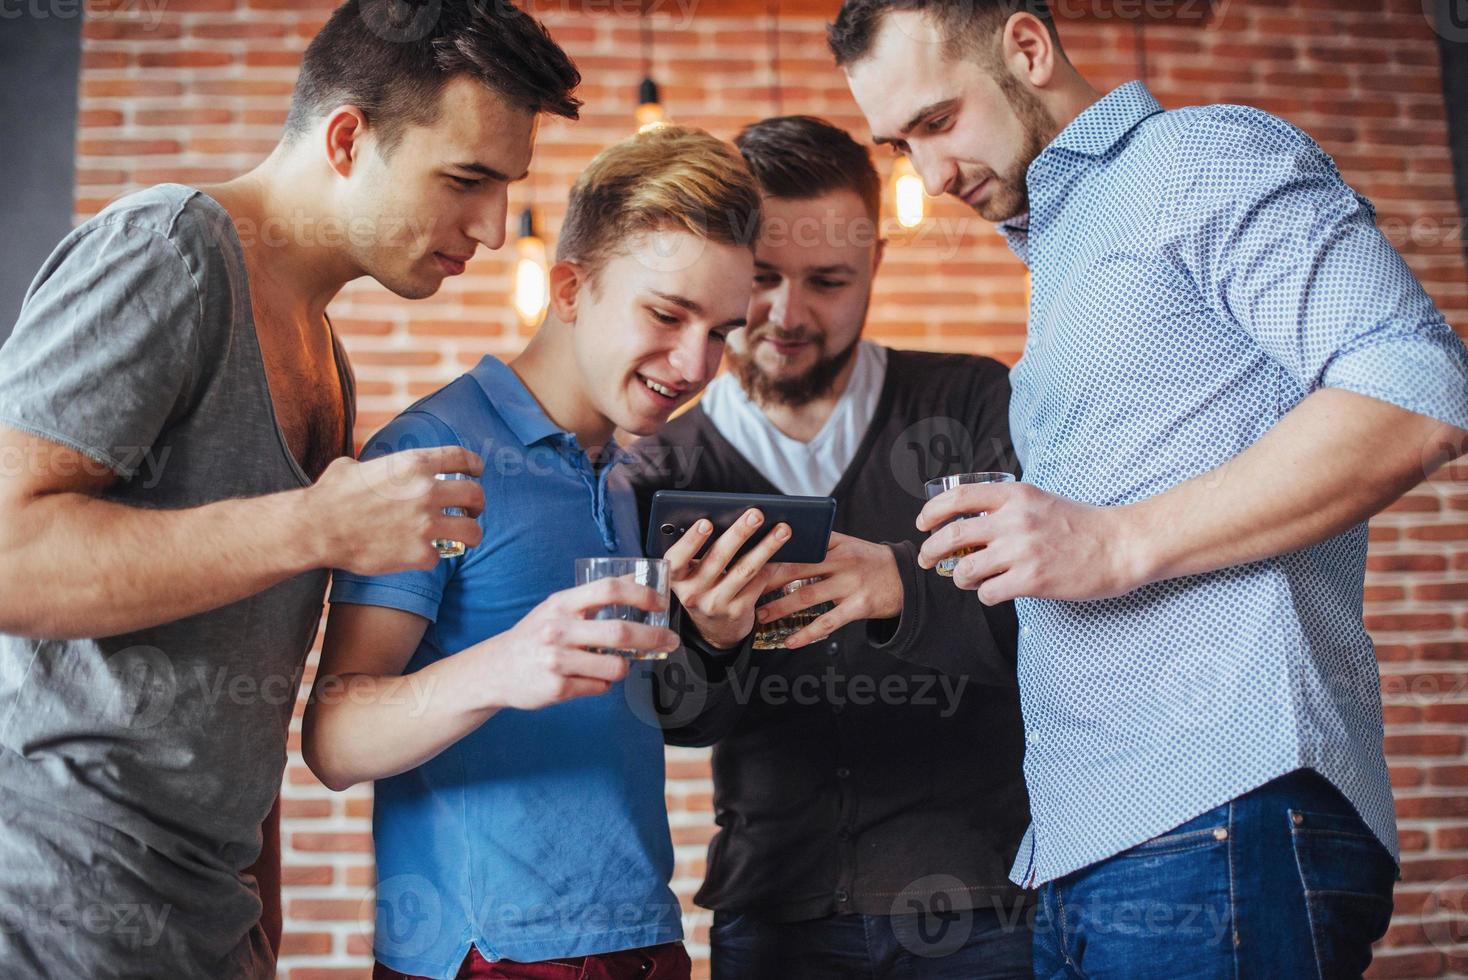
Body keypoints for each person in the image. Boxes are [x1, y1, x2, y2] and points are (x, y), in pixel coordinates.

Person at [828, 0, 1468, 975]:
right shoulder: (1067, 254)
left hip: (1218, 816)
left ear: (1027, 48)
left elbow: (1414, 387)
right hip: (1090, 850)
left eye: (937, 121)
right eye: (897, 143)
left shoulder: (1196, 158)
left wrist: (1117, 541)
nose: (931, 174)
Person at [0, 2, 581, 975]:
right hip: (56, 894)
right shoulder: (170, 251)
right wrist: (316, 522)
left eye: (504, 188)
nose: (488, 226)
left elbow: (244, 685)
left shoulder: (325, 355)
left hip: (201, 917)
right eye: (467, 180)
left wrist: (258, 913)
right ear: (349, 137)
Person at [301, 124, 780, 980]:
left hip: (645, 942)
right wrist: (508, 663)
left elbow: (633, 720)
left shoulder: (635, 472)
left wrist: (710, 635)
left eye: (721, 331)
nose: (694, 361)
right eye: (667, 315)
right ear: (569, 288)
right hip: (494, 958)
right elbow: (334, 735)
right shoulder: (436, 452)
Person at [625, 115, 1032, 979]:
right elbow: (669, 715)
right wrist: (712, 639)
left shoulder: (968, 402)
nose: (788, 314)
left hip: (978, 902)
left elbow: (1048, 629)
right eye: (764, 277)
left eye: (830, 280)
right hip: (772, 912)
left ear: (878, 263)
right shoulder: (660, 462)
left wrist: (897, 587)